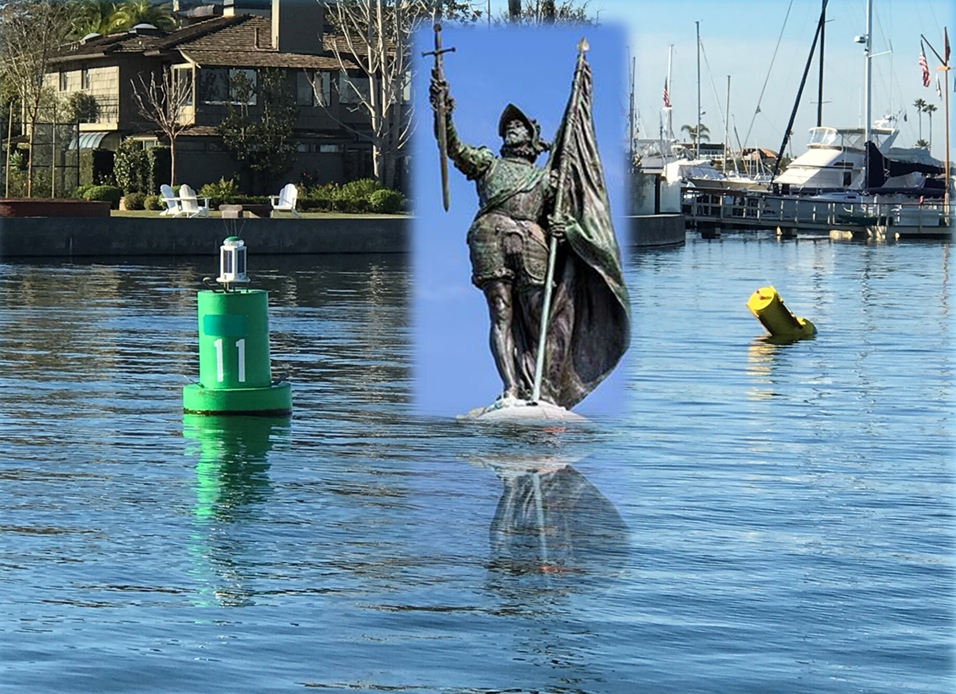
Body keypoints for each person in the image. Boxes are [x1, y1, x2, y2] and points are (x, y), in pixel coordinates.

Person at [429, 58, 629, 410]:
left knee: (542, 319)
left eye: (519, 125)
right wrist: (442, 111)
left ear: (532, 137)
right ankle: (510, 389)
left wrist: (563, 229)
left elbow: (567, 217)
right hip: (490, 237)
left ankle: (543, 387)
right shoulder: (488, 163)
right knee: (501, 313)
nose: (512, 128)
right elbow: (453, 147)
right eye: (509, 125)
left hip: (534, 243)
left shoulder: (547, 179)